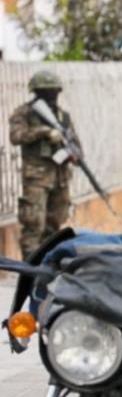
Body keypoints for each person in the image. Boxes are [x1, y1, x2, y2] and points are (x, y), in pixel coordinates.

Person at [9, 71, 80, 260]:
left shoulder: (63, 117)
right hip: (36, 178)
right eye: (46, 91)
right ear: (36, 92)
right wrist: (44, 131)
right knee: (34, 225)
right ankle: (31, 272)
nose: (51, 95)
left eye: (53, 91)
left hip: (60, 178)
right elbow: (16, 136)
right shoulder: (24, 113)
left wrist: (74, 154)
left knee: (55, 225)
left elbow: (77, 145)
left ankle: (50, 265)